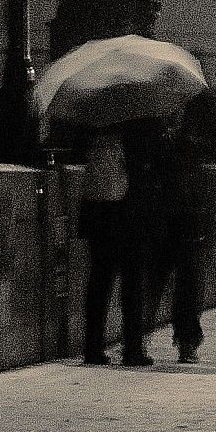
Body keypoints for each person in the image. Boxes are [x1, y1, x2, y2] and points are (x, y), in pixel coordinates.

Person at [149, 87, 216, 364]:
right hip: (184, 213)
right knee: (183, 281)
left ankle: (155, 336)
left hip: (178, 212)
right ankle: (183, 341)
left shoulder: (181, 120)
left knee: (169, 278)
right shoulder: (194, 115)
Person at [76, 124, 154, 367]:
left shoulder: (93, 125)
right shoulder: (136, 128)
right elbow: (147, 165)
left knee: (99, 281)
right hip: (127, 213)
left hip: (97, 212)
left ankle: (92, 347)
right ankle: (132, 349)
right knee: (132, 283)